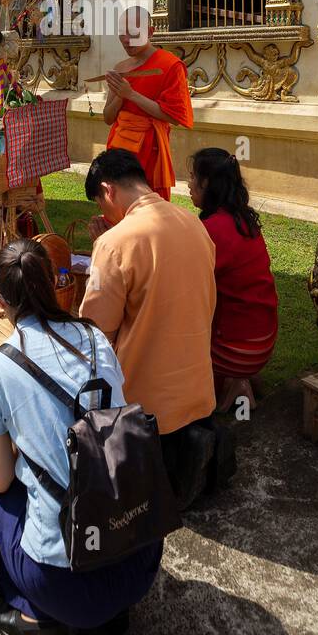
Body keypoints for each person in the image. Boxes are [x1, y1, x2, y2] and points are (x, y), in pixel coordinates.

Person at [0, 239, 162, 635]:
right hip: (139, 558)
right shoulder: (96, 339)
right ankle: (109, 609)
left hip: (64, 586)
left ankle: (34, 613)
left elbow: (0, 479)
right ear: (57, 284)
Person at [80, 149, 218, 509]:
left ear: (108, 191)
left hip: (145, 408)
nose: (103, 212)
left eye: (100, 201)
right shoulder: (194, 223)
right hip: (200, 391)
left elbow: (95, 331)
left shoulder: (113, 244)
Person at [188, 148, 279, 411]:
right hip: (265, 340)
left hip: (237, 350)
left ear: (207, 184)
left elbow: (188, 289)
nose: (189, 184)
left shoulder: (213, 230)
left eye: (193, 177)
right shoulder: (244, 219)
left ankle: (231, 381)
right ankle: (239, 378)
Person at [103, 6, 193, 199]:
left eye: (134, 34)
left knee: (149, 210)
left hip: (150, 152)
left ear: (151, 32)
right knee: (117, 205)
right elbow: (108, 118)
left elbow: (173, 116)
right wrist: (121, 95)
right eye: (122, 35)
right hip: (119, 150)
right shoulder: (121, 68)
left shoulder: (170, 66)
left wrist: (132, 94)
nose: (126, 40)